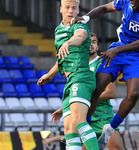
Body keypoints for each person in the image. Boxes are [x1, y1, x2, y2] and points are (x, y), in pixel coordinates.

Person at [65, 0, 139, 148]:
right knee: (96, 87)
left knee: (134, 94)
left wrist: (117, 50)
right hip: (118, 50)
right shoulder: (126, 1)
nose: (130, 2)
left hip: (137, 56)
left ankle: (110, 128)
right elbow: (105, 8)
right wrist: (86, 17)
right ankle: (85, 127)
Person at [37, 0, 99, 149]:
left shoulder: (79, 25)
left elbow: (80, 36)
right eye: (67, 7)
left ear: (78, 10)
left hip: (81, 75)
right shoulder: (58, 30)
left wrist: (69, 42)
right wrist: (49, 75)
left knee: (78, 120)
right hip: (70, 80)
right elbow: (61, 58)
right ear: (61, 9)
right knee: (70, 131)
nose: (70, 10)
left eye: (74, 8)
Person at [51, 33, 124, 150]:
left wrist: (84, 101)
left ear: (98, 47)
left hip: (102, 118)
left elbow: (111, 93)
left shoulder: (103, 63)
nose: (90, 45)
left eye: (94, 42)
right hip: (85, 120)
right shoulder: (77, 67)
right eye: (87, 42)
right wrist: (64, 108)